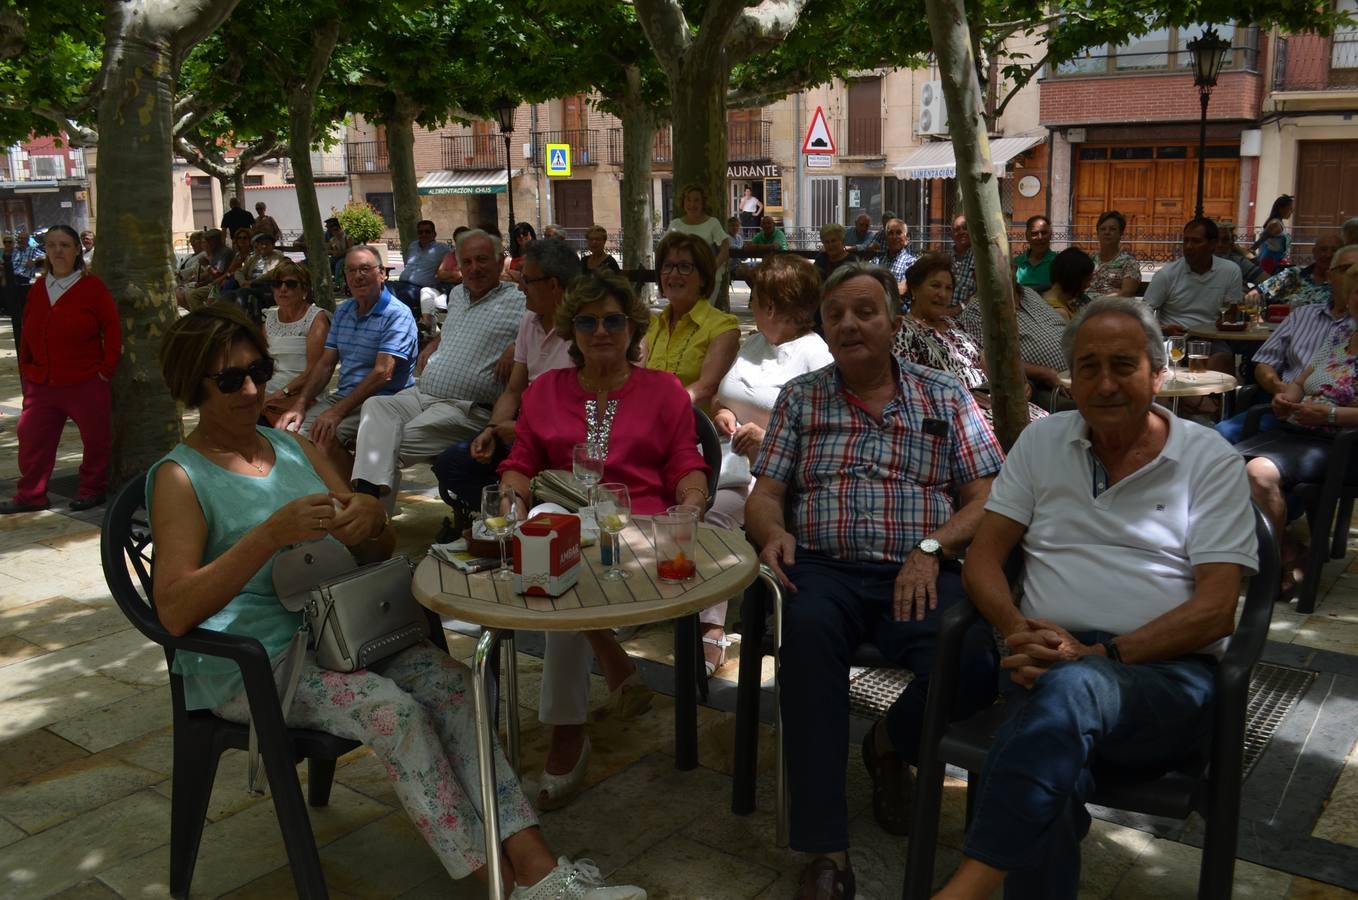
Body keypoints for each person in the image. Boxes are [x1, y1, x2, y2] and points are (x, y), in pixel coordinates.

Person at [147, 304, 645, 900]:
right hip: (256, 662)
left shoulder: (293, 447)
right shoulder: (180, 478)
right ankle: (502, 888)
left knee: (455, 687)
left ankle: (540, 869)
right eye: (230, 380)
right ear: (191, 385)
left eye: (256, 370)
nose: (253, 389)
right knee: (397, 713)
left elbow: (377, 543)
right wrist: (268, 536)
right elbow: (174, 610)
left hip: (341, 635)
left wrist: (365, 520)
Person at [933, 297, 1257, 900]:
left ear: (1156, 375)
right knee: (1050, 766)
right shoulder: (1042, 442)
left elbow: (1217, 609)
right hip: (1041, 662)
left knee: (1064, 698)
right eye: (1087, 366)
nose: (1104, 383)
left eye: (1122, 365)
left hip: (1164, 682)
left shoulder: (1207, 459)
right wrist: (1014, 628)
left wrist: (1100, 658)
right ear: (1069, 374)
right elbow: (983, 556)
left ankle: (967, 890)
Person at [747, 262, 1003, 898]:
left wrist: (931, 545)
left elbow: (989, 497)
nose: (849, 324)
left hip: (916, 568)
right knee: (804, 645)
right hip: (824, 569)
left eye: (864, 311)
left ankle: (890, 741)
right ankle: (825, 849)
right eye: (835, 315)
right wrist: (771, 531)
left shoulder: (944, 394)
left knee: (974, 661)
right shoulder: (801, 397)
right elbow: (765, 494)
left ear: (893, 320)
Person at [498, 271, 710, 811]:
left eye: (613, 320)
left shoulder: (662, 390)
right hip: (565, 532)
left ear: (631, 327)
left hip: (634, 540)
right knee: (549, 526)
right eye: (588, 321)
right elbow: (521, 465)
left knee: (553, 562)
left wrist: (691, 502)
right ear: (572, 330)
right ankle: (599, 676)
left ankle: (573, 723)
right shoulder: (545, 391)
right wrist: (509, 506)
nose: (600, 331)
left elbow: (687, 460)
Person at [708, 255, 833, 675]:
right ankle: (706, 626)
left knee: (720, 519)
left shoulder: (815, 355)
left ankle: (724, 629)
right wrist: (723, 412)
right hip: (733, 467)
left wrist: (770, 440)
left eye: (758, 297)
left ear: (775, 306)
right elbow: (724, 396)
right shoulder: (754, 343)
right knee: (701, 515)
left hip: (783, 478)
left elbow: (825, 432)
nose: (754, 304)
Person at [347, 229, 523, 506]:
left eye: (482, 260)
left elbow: (552, 327)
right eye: (467, 262)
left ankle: (368, 523)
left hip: (464, 407)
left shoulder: (521, 299)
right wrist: (434, 343)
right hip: (421, 394)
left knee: (378, 448)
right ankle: (369, 519)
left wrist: (517, 346)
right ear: (459, 265)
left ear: (500, 260)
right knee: (375, 407)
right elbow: (458, 329)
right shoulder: (458, 295)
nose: (474, 268)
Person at [432, 238, 577, 523]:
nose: (520, 286)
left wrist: (524, 429)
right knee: (451, 465)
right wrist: (492, 429)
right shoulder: (530, 322)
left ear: (554, 286)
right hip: (524, 437)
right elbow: (513, 390)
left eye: (527, 280)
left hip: (564, 441)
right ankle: (512, 516)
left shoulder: (585, 329)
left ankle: (527, 516)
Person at [1238, 264, 1358, 597]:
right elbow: (1303, 381)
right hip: (1302, 430)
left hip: (1345, 443)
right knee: (1215, 463)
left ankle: (1269, 571)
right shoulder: (1340, 334)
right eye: (1357, 290)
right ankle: (1288, 550)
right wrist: (1285, 398)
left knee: (1258, 472)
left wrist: (1331, 414)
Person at [2, 225, 121, 514]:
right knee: (31, 437)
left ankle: (91, 490)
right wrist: (27, 368)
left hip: (85, 380)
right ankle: (31, 495)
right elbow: (28, 326)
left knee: (95, 439)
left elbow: (112, 328)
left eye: (65, 245)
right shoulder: (39, 288)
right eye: (52, 245)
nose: (58, 250)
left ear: (77, 250)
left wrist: (105, 370)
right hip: (42, 382)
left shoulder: (92, 287)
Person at [276, 245, 419, 477]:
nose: (358, 276)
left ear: (382, 273)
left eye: (365, 269)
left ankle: (354, 498)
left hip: (385, 401)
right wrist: (300, 404)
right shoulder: (344, 311)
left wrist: (336, 412)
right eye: (351, 270)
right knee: (287, 433)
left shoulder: (397, 314)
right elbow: (325, 364)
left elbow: (383, 373)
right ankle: (323, 497)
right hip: (347, 398)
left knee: (323, 435)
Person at [1216, 242, 1358, 443]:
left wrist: (1332, 413)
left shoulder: (1351, 330)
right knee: (1219, 436)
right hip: (1286, 406)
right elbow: (1264, 362)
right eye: (1346, 269)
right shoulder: (1301, 315)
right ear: (1329, 276)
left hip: (1336, 427)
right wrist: (1278, 388)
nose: (1352, 278)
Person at [894, 254, 1047, 426]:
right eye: (935, 285)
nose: (943, 294)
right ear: (914, 289)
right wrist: (961, 396)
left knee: (1049, 428)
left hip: (994, 402)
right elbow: (906, 390)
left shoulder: (954, 324)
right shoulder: (903, 330)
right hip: (959, 415)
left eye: (949, 288)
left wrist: (1013, 384)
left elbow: (985, 361)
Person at [646, 231, 741, 410]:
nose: (673, 274)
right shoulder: (651, 326)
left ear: (703, 278)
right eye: (667, 266)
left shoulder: (723, 327)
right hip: (646, 424)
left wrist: (658, 411)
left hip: (692, 429)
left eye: (684, 267)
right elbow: (632, 378)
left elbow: (706, 388)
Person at [1143, 217, 1242, 373]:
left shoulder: (1230, 271)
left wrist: (1220, 325)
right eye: (1186, 241)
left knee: (1222, 360)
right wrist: (1163, 329)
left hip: (1211, 340)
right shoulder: (1167, 275)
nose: (1189, 246)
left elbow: (1231, 314)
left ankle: (1198, 396)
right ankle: (1190, 396)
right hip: (1173, 339)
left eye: (1196, 241)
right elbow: (1143, 313)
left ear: (1212, 244)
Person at [958, 276, 1071, 410]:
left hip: (1074, 369)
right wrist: (1045, 373)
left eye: (1008, 266)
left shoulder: (1028, 292)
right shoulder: (976, 310)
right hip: (1039, 384)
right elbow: (994, 358)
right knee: (1082, 408)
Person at [260, 260, 332, 426]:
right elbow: (263, 363)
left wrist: (282, 393)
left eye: (291, 284)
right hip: (270, 391)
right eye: (277, 284)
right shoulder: (269, 318)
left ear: (304, 290)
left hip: (303, 393)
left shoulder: (316, 318)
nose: (283, 289)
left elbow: (314, 370)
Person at [665, 183, 730, 301]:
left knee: (701, 314)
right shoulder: (675, 224)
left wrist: (711, 268)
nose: (692, 204)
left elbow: (725, 247)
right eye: (688, 200)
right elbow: (664, 248)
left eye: (696, 200)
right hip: (681, 279)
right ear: (683, 202)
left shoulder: (712, 223)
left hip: (707, 280)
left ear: (702, 203)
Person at [1247, 230, 1342, 310]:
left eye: (1334, 250)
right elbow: (1259, 291)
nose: (1328, 255)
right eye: (1323, 249)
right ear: (1314, 252)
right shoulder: (1293, 274)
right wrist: (1254, 296)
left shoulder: (1346, 283)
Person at [1087, 210, 1140, 297]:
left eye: (1112, 229)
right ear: (1097, 233)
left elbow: (1126, 293)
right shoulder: (1089, 260)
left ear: (1120, 234)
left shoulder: (1128, 262)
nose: (1107, 232)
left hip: (1111, 308)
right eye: (1103, 229)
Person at [1043, 247, 1095, 320]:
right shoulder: (1059, 313)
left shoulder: (1042, 295)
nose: (1088, 285)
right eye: (1087, 280)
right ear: (1074, 279)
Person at [874, 217, 917, 305]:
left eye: (898, 233)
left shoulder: (912, 263)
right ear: (886, 238)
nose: (894, 237)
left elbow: (901, 290)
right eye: (890, 233)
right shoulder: (876, 261)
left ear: (906, 238)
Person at [1252, 194, 1295, 275]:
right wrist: (1250, 253)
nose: (1292, 211)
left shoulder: (1279, 223)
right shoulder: (1275, 224)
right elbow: (1260, 242)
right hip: (1270, 262)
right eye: (1290, 209)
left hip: (1275, 261)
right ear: (1281, 208)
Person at [1215, 221, 1267, 288]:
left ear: (1231, 241)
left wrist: (1254, 292)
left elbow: (1269, 283)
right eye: (1216, 239)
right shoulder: (1202, 260)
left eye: (1225, 240)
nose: (1220, 244)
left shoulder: (1237, 261)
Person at [1014, 215, 1056, 291]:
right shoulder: (1017, 263)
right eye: (1034, 234)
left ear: (1050, 235)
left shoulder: (1058, 262)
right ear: (1027, 236)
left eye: (1044, 233)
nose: (1040, 238)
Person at [950, 214, 976, 311]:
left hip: (969, 316)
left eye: (965, 228)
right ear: (952, 234)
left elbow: (982, 293)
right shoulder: (945, 259)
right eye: (957, 229)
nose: (961, 232)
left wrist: (957, 309)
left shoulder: (980, 260)